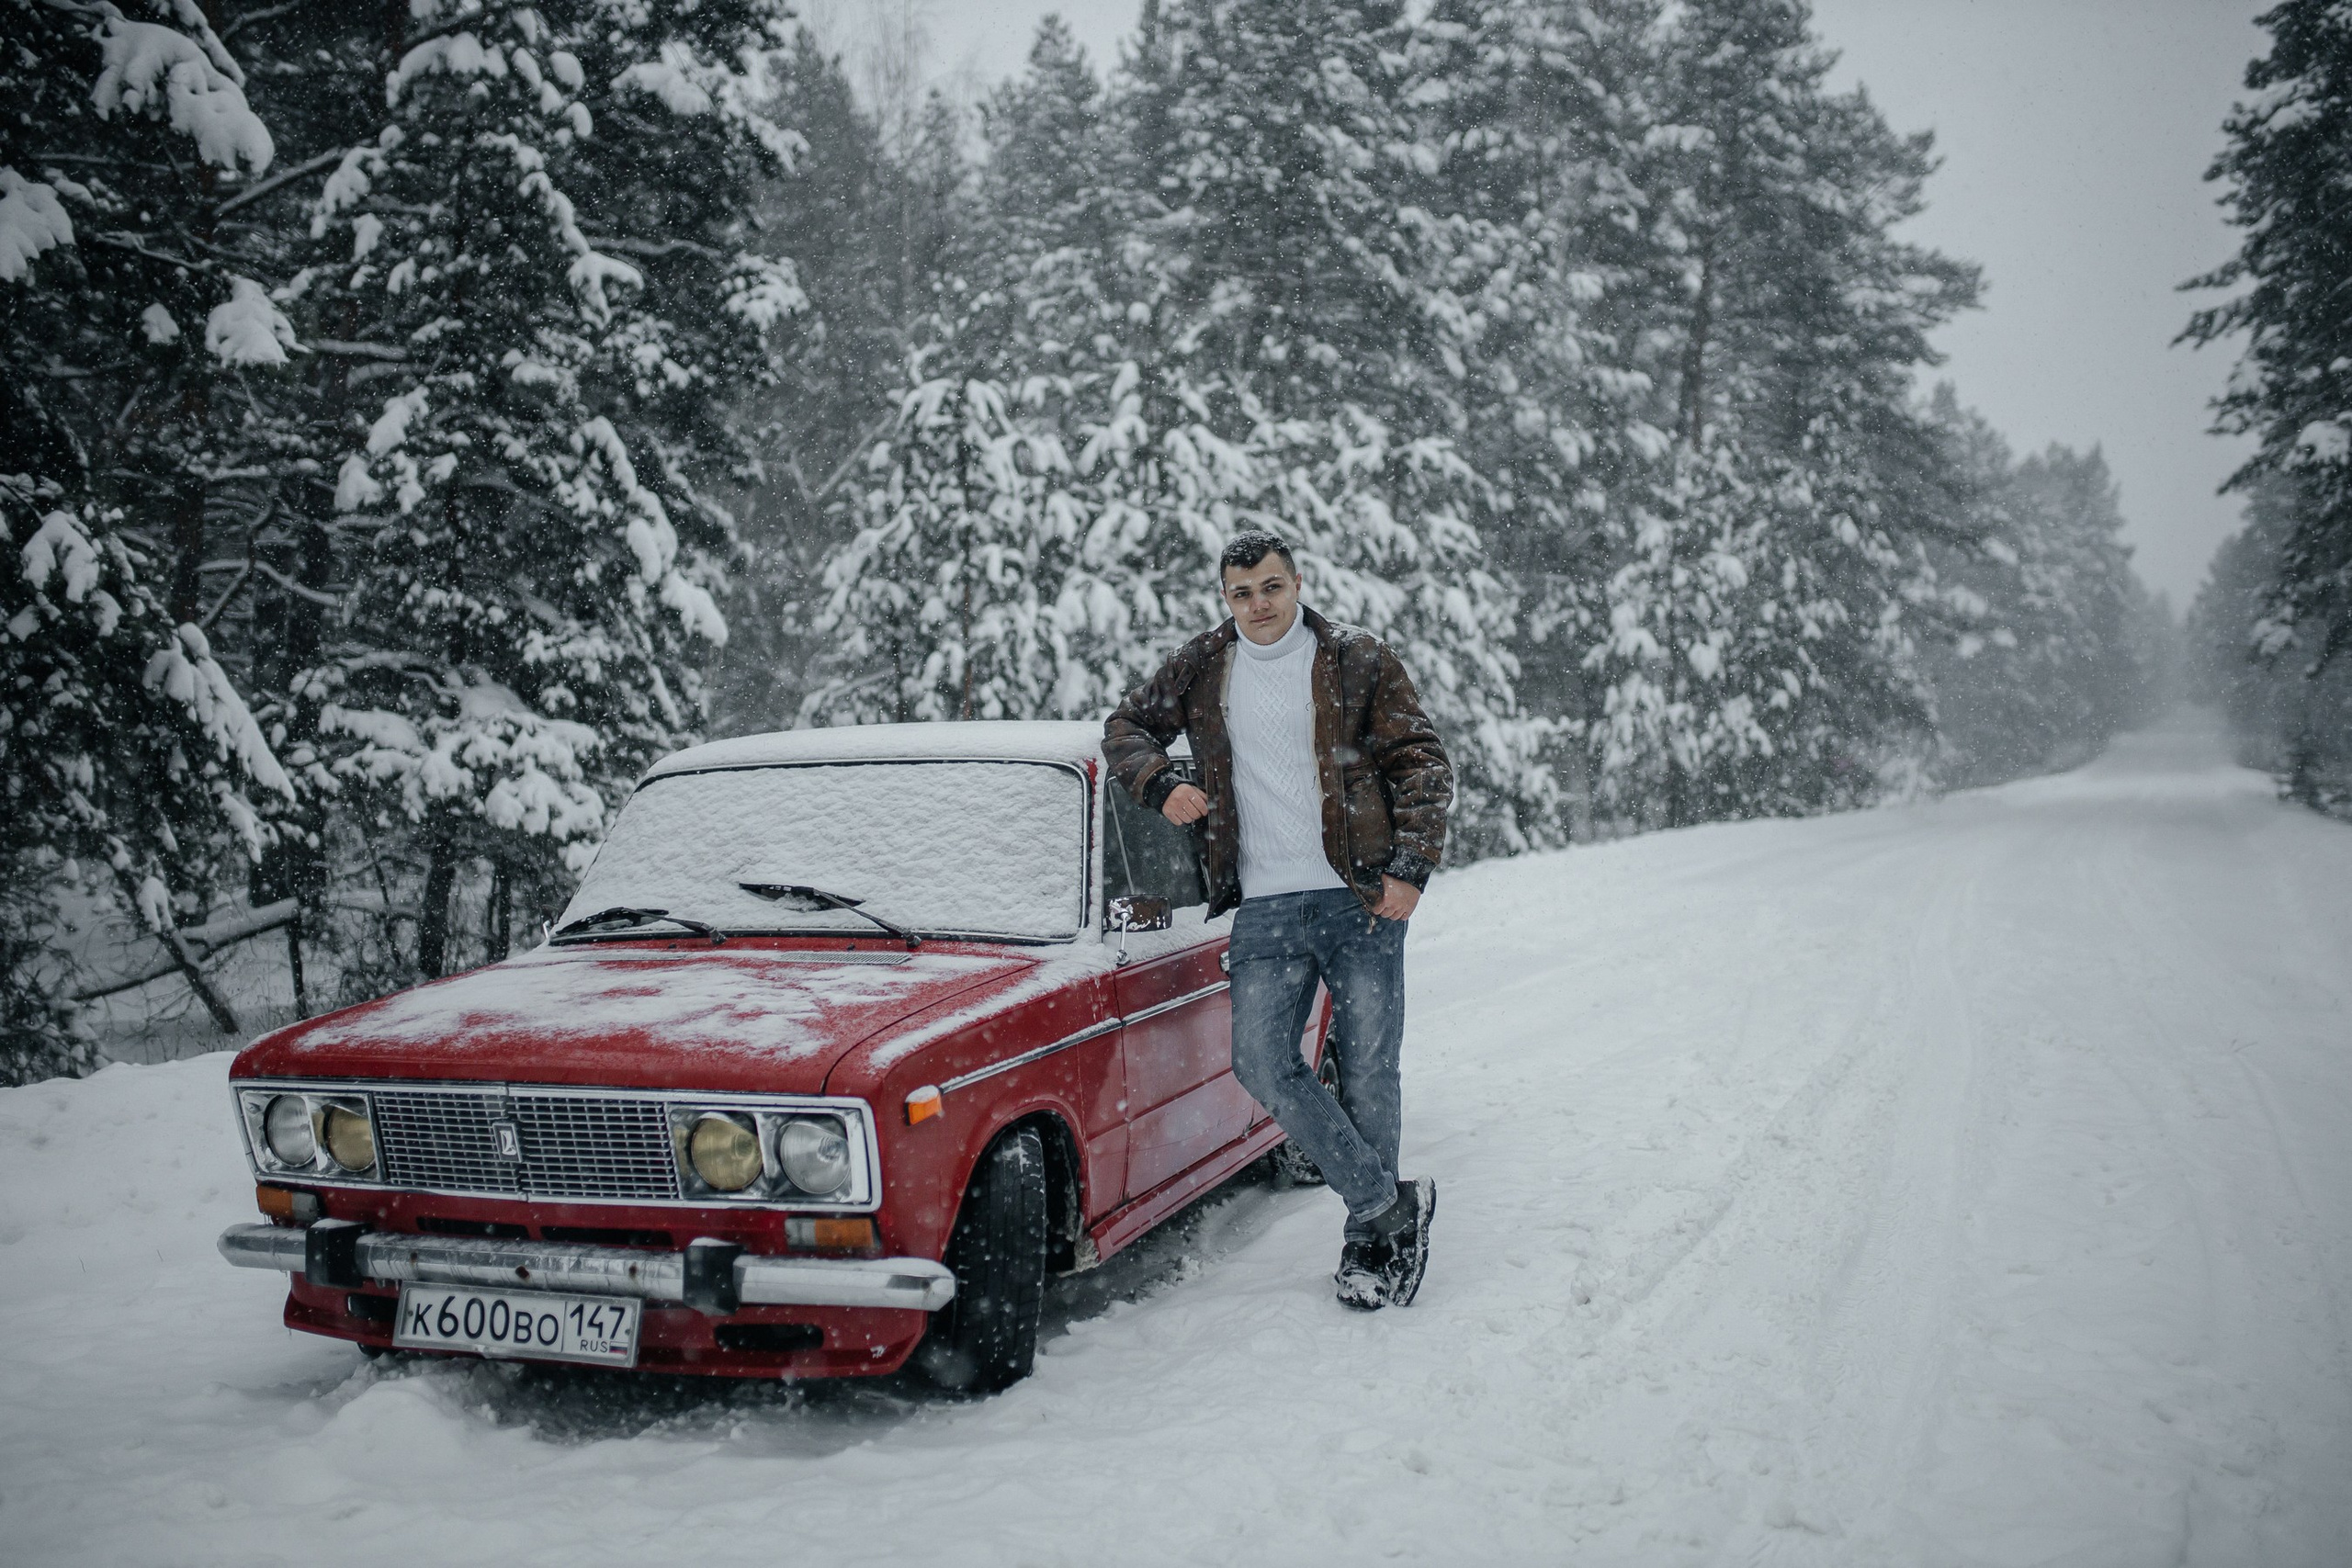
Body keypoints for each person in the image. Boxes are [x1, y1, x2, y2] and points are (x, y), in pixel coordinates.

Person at [1103, 531, 1448, 1310]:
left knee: (1368, 1069)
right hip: (1264, 903)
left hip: (1359, 897)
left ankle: (1371, 1248)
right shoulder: (1203, 666)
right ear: (1225, 597)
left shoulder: (1356, 658)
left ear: (1296, 582)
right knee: (1260, 1060)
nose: (1257, 605)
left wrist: (1410, 867)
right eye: (1241, 592)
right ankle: (1385, 1202)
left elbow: (1421, 761)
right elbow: (1125, 727)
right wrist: (1159, 783)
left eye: (1270, 587)